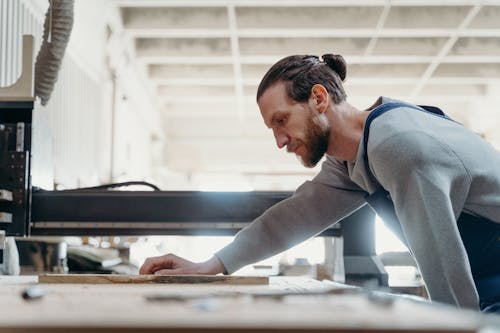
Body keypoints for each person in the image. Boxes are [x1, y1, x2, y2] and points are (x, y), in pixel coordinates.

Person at [140, 54, 500, 312]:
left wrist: (455, 326)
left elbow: (441, 260)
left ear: (318, 98)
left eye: (282, 121)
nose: (280, 141)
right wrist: (212, 265)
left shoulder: (397, 144)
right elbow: (292, 219)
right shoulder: (354, 158)